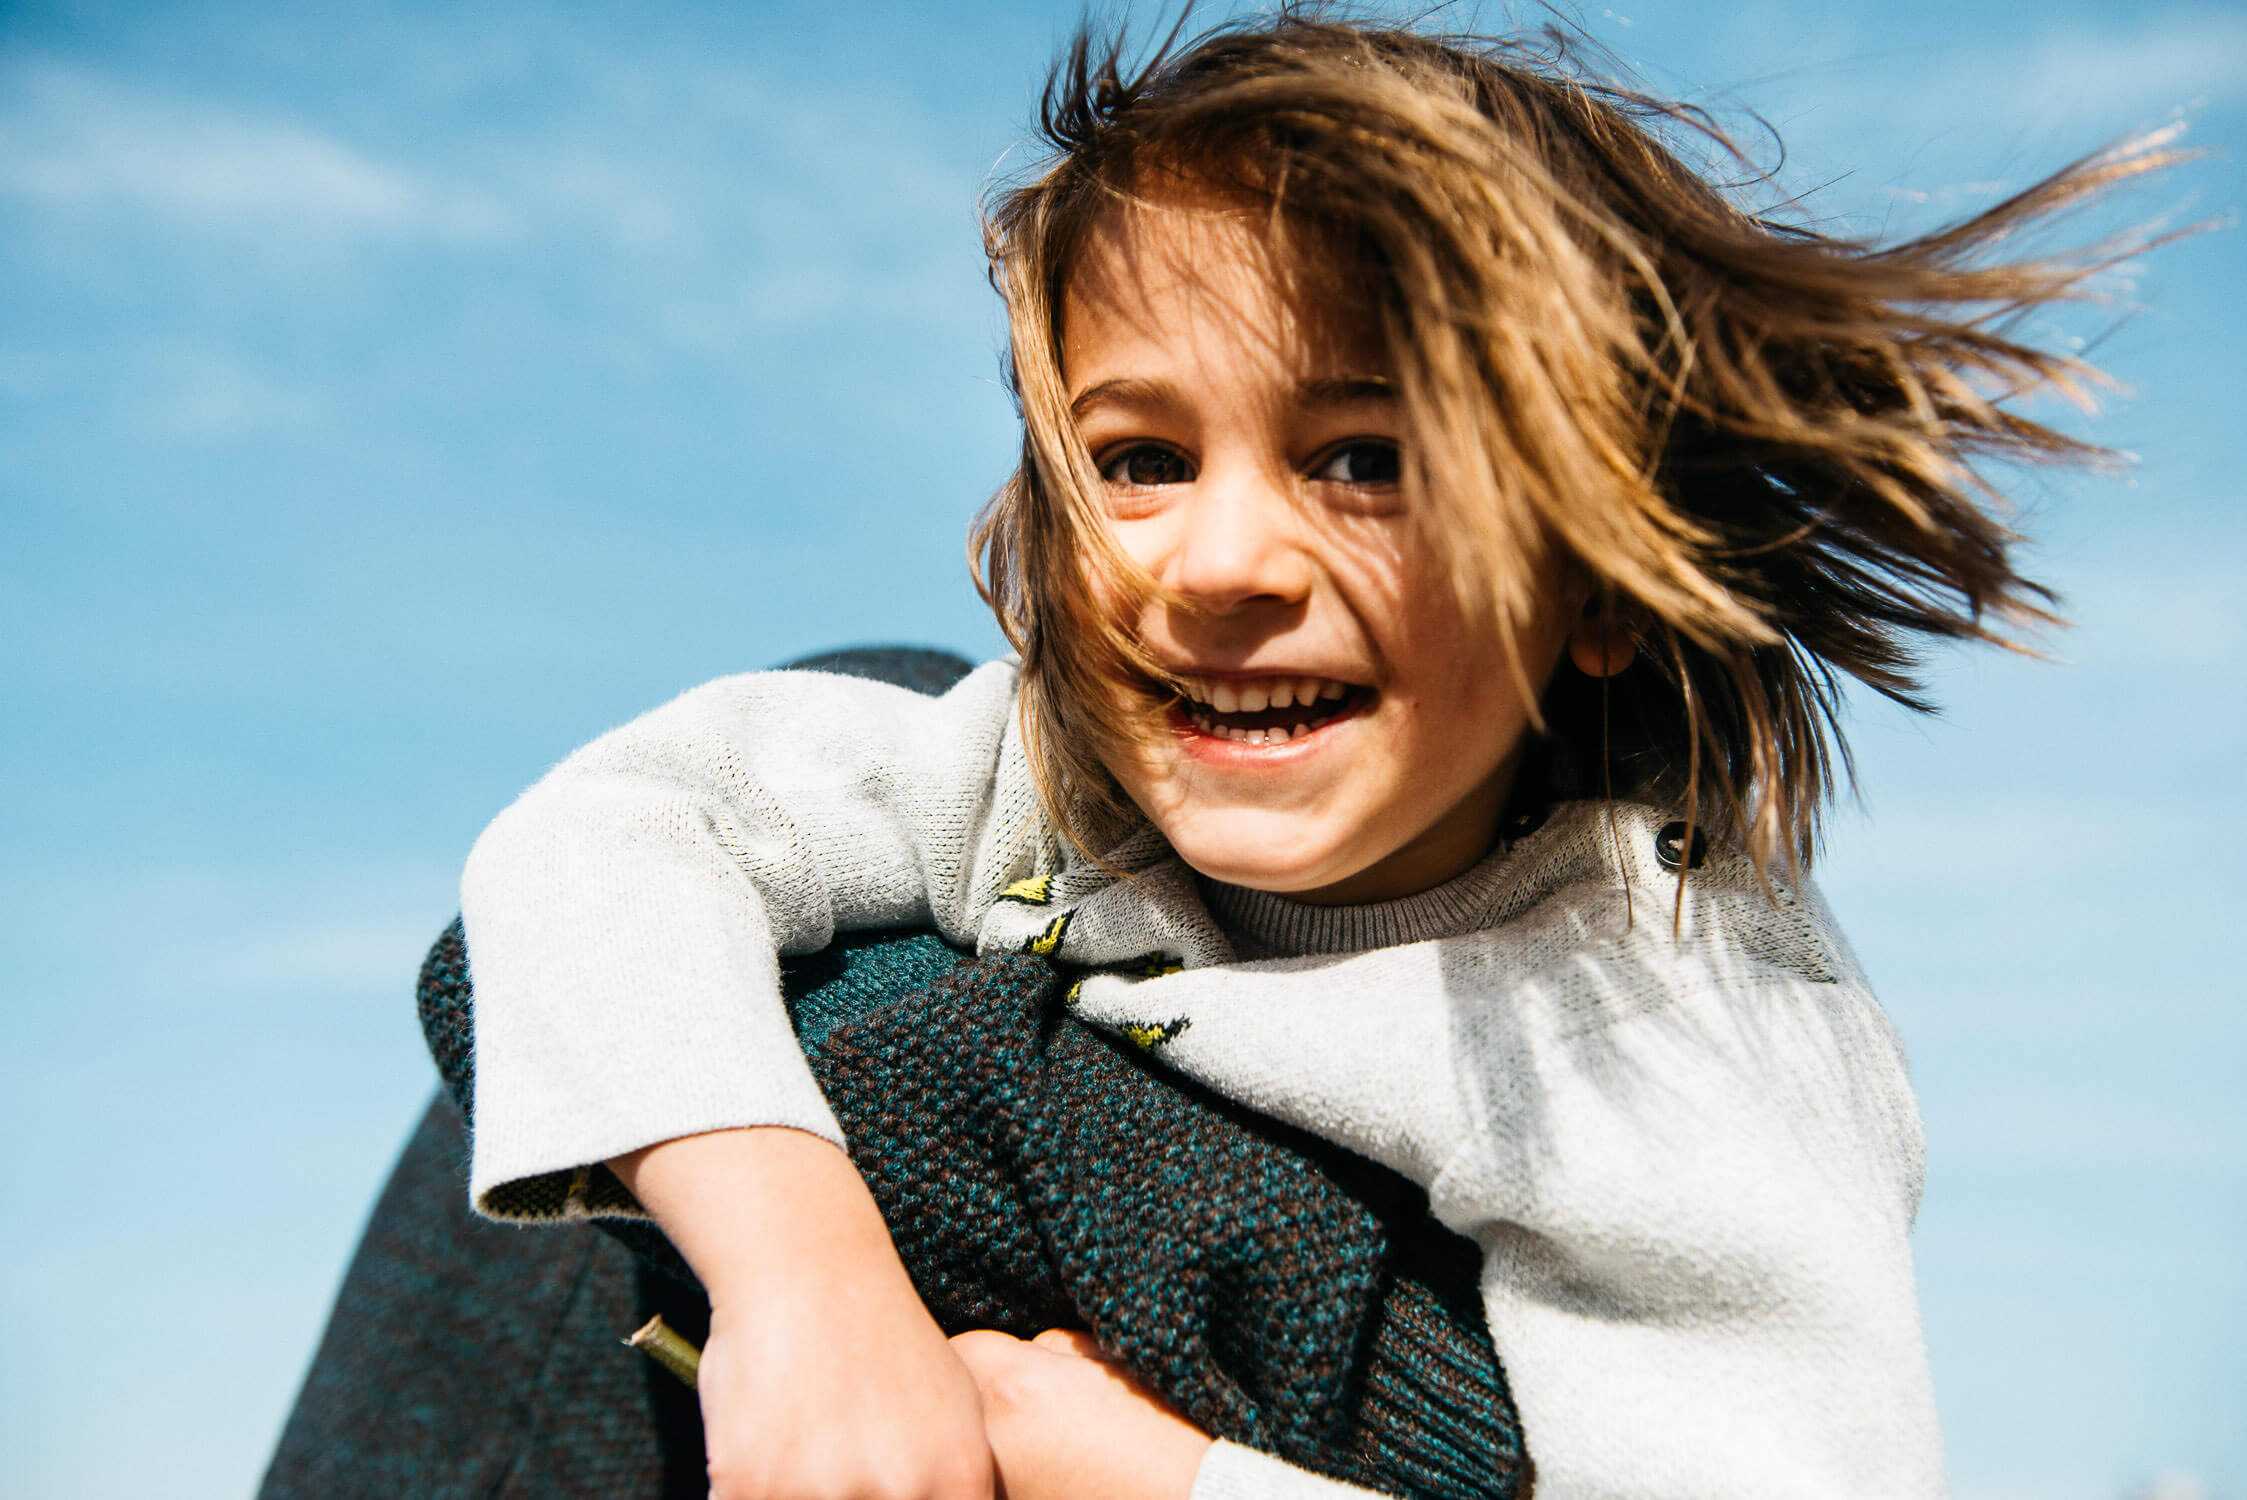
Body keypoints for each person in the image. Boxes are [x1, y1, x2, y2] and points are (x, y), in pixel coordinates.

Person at [458, 14, 2174, 1500]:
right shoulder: (1053, 779)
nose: (1220, 564)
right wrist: (804, 1280)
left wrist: (1161, 1477)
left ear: (1594, 583)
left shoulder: (1673, 1033)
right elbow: (607, 836)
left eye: (1362, 457)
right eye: (1138, 458)